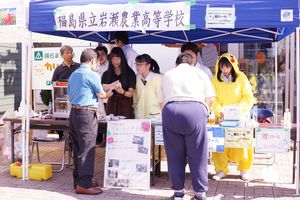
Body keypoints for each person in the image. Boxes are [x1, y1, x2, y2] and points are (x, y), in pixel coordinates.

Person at [158, 53, 215, 200]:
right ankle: (200, 193)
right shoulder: (200, 73)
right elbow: (211, 98)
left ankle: (178, 192)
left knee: (174, 154)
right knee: (198, 153)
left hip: (171, 111)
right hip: (195, 111)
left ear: (176, 63)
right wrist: (204, 112)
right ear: (191, 63)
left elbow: (161, 101)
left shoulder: (168, 74)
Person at [68, 48, 106, 195]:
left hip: (74, 113)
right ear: (92, 61)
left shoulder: (73, 74)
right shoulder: (92, 74)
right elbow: (101, 94)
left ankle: (79, 181)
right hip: (86, 114)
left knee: (77, 148)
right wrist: (110, 90)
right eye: (96, 61)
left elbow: (70, 93)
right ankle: (84, 184)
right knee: (87, 149)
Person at [211, 53, 255, 182]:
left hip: (240, 117)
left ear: (233, 66)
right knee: (219, 143)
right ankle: (221, 170)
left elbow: (247, 97)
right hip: (222, 118)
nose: (225, 70)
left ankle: (244, 169)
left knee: (243, 142)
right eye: (222, 67)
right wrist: (220, 112)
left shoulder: (241, 77)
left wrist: (238, 110)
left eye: (228, 67)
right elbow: (214, 99)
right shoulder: (215, 80)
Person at [51, 45, 80, 139]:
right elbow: (54, 84)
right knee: (61, 123)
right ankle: (63, 137)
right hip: (62, 102)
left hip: (76, 100)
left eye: (71, 52)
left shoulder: (78, 67)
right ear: (62, 55)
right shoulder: (58, 69)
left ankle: (73, 139)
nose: (70, 54)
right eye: (67, 53)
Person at [102, 47, 136, 118]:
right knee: (110, 127)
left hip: (125, 105)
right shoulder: (106, 74)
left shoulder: (130, 73)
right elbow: (102, 90)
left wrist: (122, 92)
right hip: (111, 105)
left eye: (118, 58)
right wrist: (110, 87)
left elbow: (130, 94)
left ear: (122, 59)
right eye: (113, 58)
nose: (115, 61)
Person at [133, 54, 163, 119]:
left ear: (148, 66)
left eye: (140, 64)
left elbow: (162, 100)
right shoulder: (136, 77)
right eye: (136, 64)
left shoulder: (158, 78)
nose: (137, 67)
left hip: (155, 116)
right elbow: (135, 98)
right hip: (140, 116)